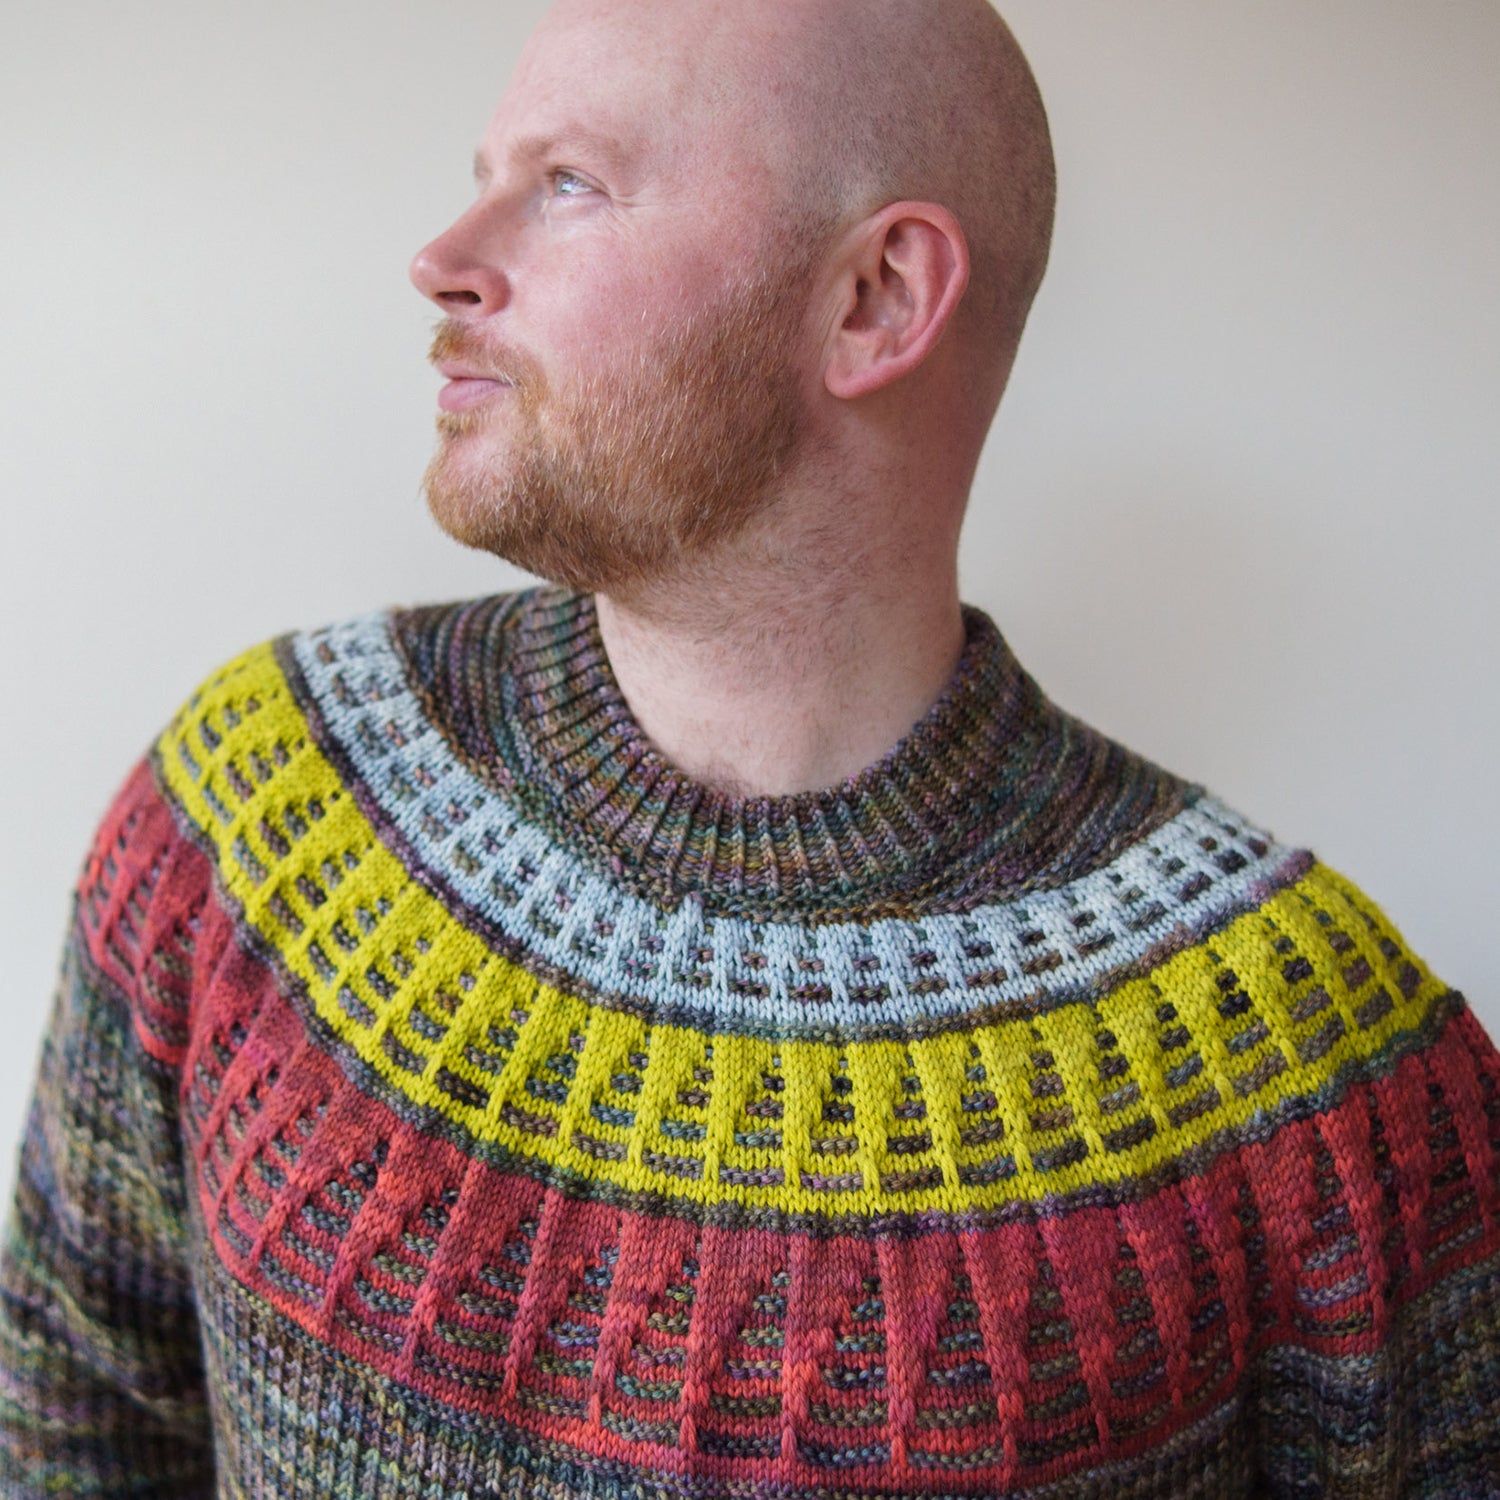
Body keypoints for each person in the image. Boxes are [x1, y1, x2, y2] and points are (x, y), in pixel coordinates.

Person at [2, 0, 1497, 1494]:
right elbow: (61, 1434)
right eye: (487, 175)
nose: (444, 257)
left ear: (874, 300)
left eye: (570, 183)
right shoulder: (263, 803)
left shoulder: (1306, 1066)